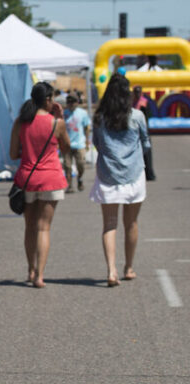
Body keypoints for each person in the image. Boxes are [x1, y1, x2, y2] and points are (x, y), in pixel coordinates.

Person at [89, 73, 150, 287]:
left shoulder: (99, 118)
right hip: (134, 175)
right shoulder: (137, 116)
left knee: (109, 224)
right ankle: (129, 267)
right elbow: (146, 143)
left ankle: (111, 270)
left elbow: (96, 143)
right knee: (131, 223)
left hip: (108, 175)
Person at [9, 82, 71, 289]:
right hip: (50, 179)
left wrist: (29, 151)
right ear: (48, 100)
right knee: (44, 228)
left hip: (27, 178)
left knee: (30, 227)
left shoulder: (21, 121)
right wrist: (60, 118)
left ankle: (30, 269)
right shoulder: (56, 123)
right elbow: (66, 148)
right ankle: (40, 276)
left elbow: (13, 153)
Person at [62, 93, 91, 192]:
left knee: (81, 164)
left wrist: (87, 141)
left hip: (79, 144)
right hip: (67, 144)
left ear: (77, 103)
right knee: (67, 166)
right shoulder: (64, 113)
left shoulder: (82, 113)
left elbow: (87, 127)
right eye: (69, 102)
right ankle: (69, 185)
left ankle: (80, 179)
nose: (71, 104)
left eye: (73, 102)